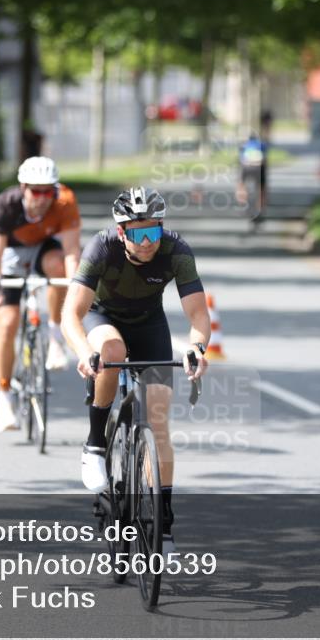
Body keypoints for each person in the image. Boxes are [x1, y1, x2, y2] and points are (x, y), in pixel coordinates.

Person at [62, 187, 210, 554]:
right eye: (138, 234)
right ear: (122, 231)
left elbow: (198, 314)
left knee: (157, 421)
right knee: (112, 351)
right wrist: (84, 352)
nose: (147, 243)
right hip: (102, 318)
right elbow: (71, 315)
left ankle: (163, 523)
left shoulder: (176, 250)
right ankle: (95, 443)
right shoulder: (102, 247)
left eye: (153, 232)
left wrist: (196, 348)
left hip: (149, 325)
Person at [0, 156, 81, 432]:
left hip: (44, 249)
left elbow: (72, 252)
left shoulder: (65, 201)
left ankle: (55, 335)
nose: (42, 198)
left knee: (59, 268)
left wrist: (75, 289)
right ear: (23, 188)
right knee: (7, 323)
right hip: (11, 256)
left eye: (48, 192)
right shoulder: (5, 205)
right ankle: (4, 398)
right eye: (36, 191)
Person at [235, 132, 268, 219]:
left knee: (241, 184)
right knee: (261, 187)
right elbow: (265, 153)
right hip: (259, 167)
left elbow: (240, 157)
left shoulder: (244, 145)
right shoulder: (261, 144)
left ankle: (241, 202)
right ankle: (262, 206)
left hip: (246, 167)